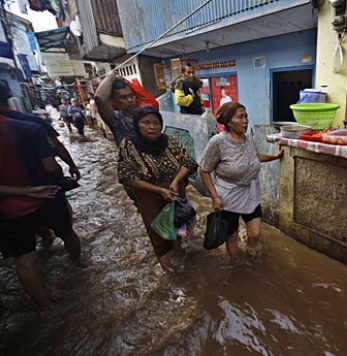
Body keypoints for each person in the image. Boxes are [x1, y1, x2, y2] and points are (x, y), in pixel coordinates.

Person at [0, 118, 82, 310]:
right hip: (47, 196)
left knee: (24, 259)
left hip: (9, 211)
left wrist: (21, 192)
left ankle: (48, 307)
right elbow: (51, 167)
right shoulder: (30, 127)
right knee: (67, 232)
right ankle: (78, 265)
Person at [117, 105, 198, 273]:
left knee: (178, 223)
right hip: (149, 195)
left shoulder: (169, 140)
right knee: (157, 231)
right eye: (146, 122)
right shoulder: (128, 145)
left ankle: (178, 251)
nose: (152, 127)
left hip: (176, 189)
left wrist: (176, 180)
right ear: (136, 124)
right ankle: (168, 270)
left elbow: (188, 163)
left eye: (156, 123)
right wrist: (159, 190)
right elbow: (127, 177)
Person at [199, 102, 283, 258]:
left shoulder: (247, 138)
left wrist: (274, 157)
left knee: (255, 233)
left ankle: (250, 257)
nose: (245, 121)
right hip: (228, 196)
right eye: (240, 117)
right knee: (232, 236)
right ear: (229, 121)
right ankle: (236, 263)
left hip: (251, 192)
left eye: (246, 116)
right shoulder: (217, 142)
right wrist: (214, 197)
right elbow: (203, 170)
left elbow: (255, 157)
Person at [94, 72, 138, 146]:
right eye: (123, 97)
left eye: (131, 95)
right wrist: (110, 76)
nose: (130, 100)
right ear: (113, 101)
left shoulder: (145, 114)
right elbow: (99, 98)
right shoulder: (116, 119)